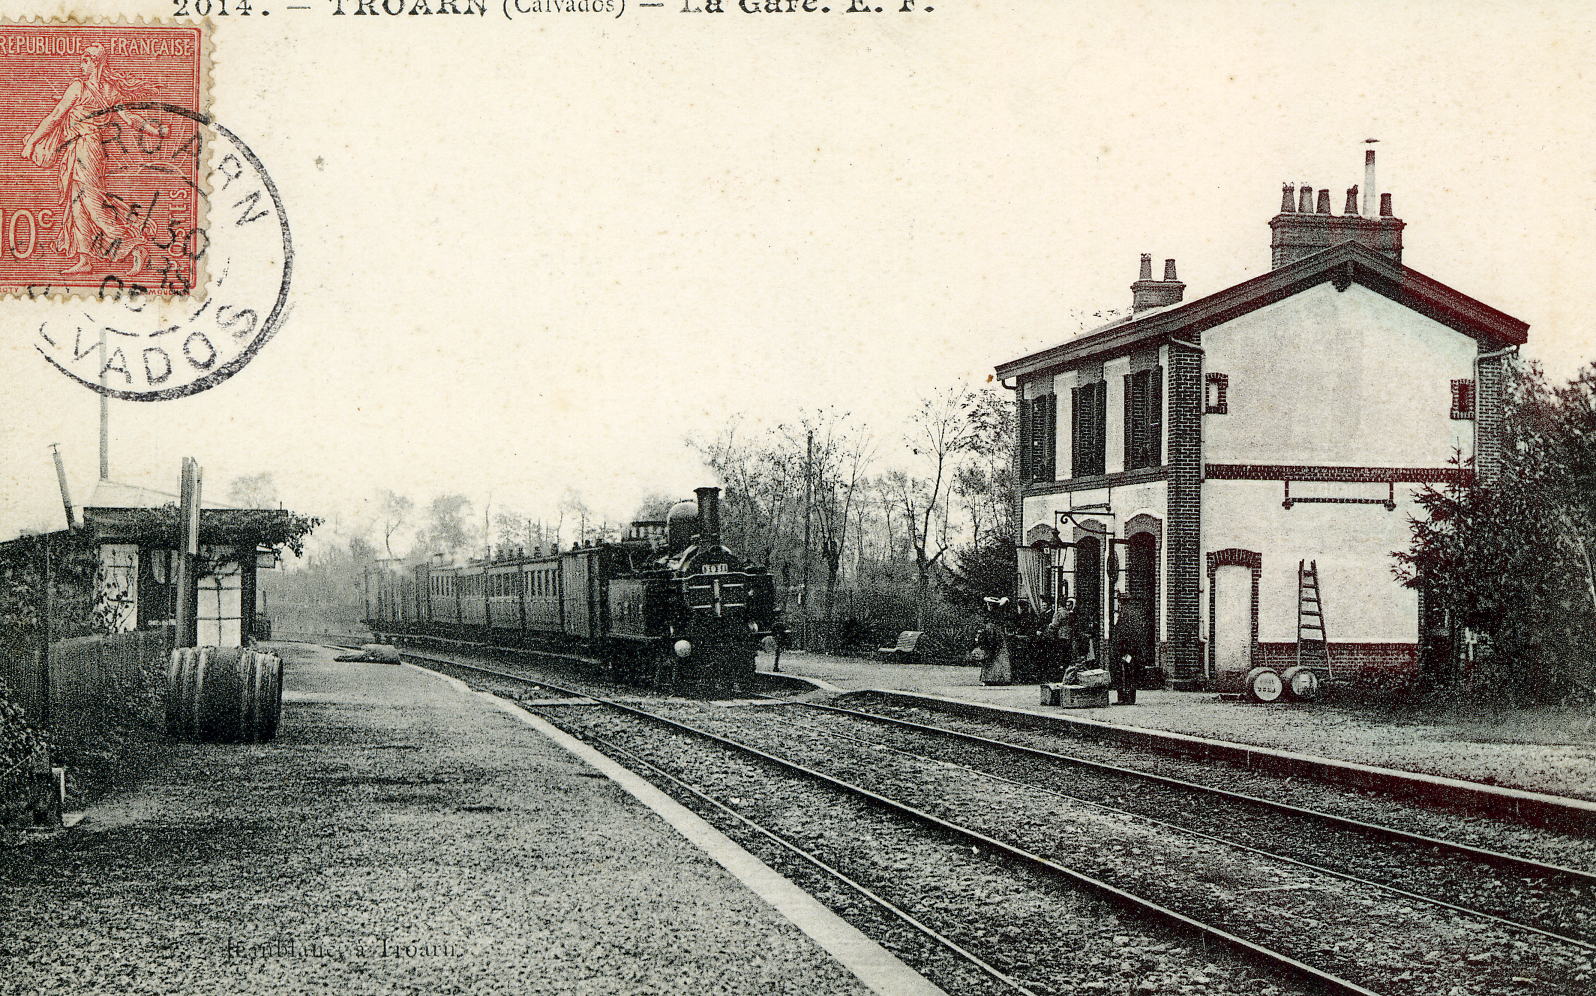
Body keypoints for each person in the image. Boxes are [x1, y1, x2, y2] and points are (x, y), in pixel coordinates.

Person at [21, 44, 169, 276]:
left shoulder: (79, 88)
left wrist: (31, 142)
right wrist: (154, 130)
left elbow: (56, 116)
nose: (81, 65)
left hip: (86, 150)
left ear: (95, 62)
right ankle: (84, 259)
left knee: (93, 205)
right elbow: (130, 119)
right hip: (82, 149)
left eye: (85, 60)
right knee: (78, 206)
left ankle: (135, 246)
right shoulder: (108, 91)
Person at [1107, 599, 1151, 705]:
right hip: (1130, 651)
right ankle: (1129, 698)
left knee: (1124, 674)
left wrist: (1124, 652)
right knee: (1129, 674)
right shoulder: (1134, 615)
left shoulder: (1126, 616)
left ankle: (1124, 698)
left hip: (1126, 651)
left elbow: (1125, 635)